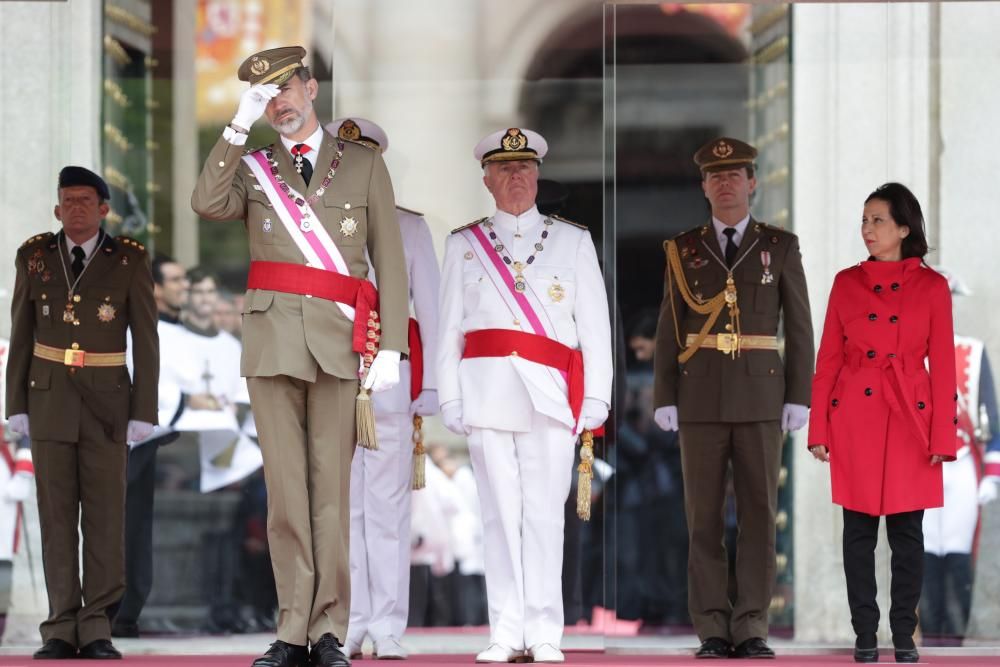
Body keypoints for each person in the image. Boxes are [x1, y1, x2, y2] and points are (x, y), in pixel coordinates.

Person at [191, 46, 409, 667]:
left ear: (312, 88)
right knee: (285, 497)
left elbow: (389, 259)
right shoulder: (253, 165)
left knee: (331, 496)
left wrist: (390, 343)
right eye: (266, 96)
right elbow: (208, 203)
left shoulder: (362, 163)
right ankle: (291, 630)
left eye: (287, 89)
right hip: (273, 342)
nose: (279, 103)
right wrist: (237, 123)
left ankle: (329, 630)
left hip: (341, 343)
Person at [438, 127, 613, 663]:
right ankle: (504, 630)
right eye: (504, 169)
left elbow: (595, 329)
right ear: (487, 179)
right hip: (486, 392)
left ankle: (543, 631)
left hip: (551, 396)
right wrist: (449, 397)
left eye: (525, 168)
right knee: (497, 515)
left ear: (538, 174)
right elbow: (448, 329)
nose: (516, 177)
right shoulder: (464, 243)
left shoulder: (573, 240)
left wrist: (596, 400)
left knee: (544, 515)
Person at [652, 138, 813, 659]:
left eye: (735, 174)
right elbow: (668, 328)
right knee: (702, 520)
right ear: (703, 187)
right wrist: (664, 394)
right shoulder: (683, 248)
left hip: (763, 395)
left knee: (759, 516)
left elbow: (801, 327)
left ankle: (751, 626)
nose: (725, 183)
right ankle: (712, 630)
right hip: (699, 398)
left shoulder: (779, 245)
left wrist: (800, 394)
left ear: (752, 182)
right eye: (715, 176)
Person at [4, 166, 158, 659]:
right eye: (67, 201)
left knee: (105, 518)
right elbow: (22, 333)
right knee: (54, 519)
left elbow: (147, 340)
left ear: (104, 209)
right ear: (56, 209)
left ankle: (96, 626)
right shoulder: (34, 256)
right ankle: (59, 626)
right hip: (48, 401)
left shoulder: (129, 260)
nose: (75, 209)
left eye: (84, 201)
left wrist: (144, 410)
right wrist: (16, 406)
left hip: (106, 404)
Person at [808, 182, 956, 664]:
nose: (867, 229)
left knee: (908, 534)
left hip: (912, 417)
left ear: (903, 228)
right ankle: (865, 633)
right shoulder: (845, 282)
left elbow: (944, 369)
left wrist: (942, 436)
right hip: (856, 414)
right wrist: (818, 428)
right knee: (858, 532)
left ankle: (904, 633)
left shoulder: (933, 288)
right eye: (864, 220)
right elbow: (827, 361)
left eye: (877, 220)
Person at [323, 117, 441, 661]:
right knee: (343, 513)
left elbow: (433, 314)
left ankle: (389, 622)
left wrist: (433, 385)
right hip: (330, 381)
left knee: (388, 513)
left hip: (388, 387)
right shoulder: (315, 224)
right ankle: (350, 621)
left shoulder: (408, 228)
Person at [112, 254, 190, 639]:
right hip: (125, 438)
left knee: (137, 525)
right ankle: (111, 610)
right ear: (153, 287)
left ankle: (127, 612)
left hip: (150, 436)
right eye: (175, 280)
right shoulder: (131, 326)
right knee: (120, 524)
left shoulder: (175, 329)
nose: (183, 287)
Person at [919, 270, 1000, 642]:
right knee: (925, 549)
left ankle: (954, 634)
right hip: (921, 465)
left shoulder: (973, 351)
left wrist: (991, 475)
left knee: (956, 547)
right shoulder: (910, 352)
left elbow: (991, 417)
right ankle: (932, 632)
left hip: (963, 462)